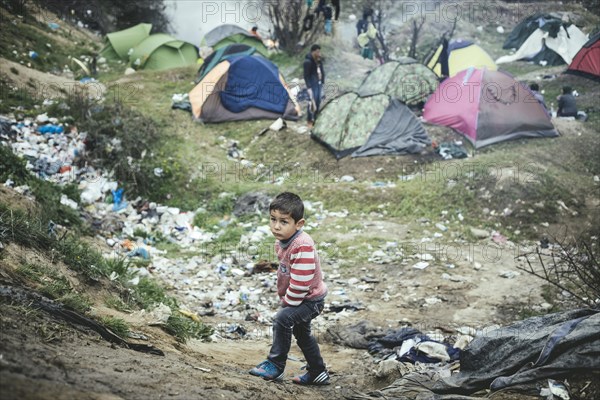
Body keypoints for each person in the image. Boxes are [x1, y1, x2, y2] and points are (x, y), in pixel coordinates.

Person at [249, 192, 329, 385]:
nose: (276, 226)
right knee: (302, 334)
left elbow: (301, 282)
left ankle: (275, 365)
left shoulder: (302, 246)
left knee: (283, 319)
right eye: (273, 219)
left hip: (310, 300)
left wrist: (287, 303)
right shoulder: (282, 242)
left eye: (284, 222)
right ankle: (318, 371)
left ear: (298, 224)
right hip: (301, 297)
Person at [303, 44, 325, 129]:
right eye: (317, 52)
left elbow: (322, 71)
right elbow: (306, 76)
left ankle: (315, 119)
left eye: (319, 51)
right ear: (313, 51)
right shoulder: (307, 62)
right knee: (312, 102)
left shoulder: (318, 60)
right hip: (312, 85)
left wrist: (322, 81)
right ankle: (309, 120)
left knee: (318, 101)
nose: (319, 53)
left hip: (319, 84)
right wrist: (309, 87)